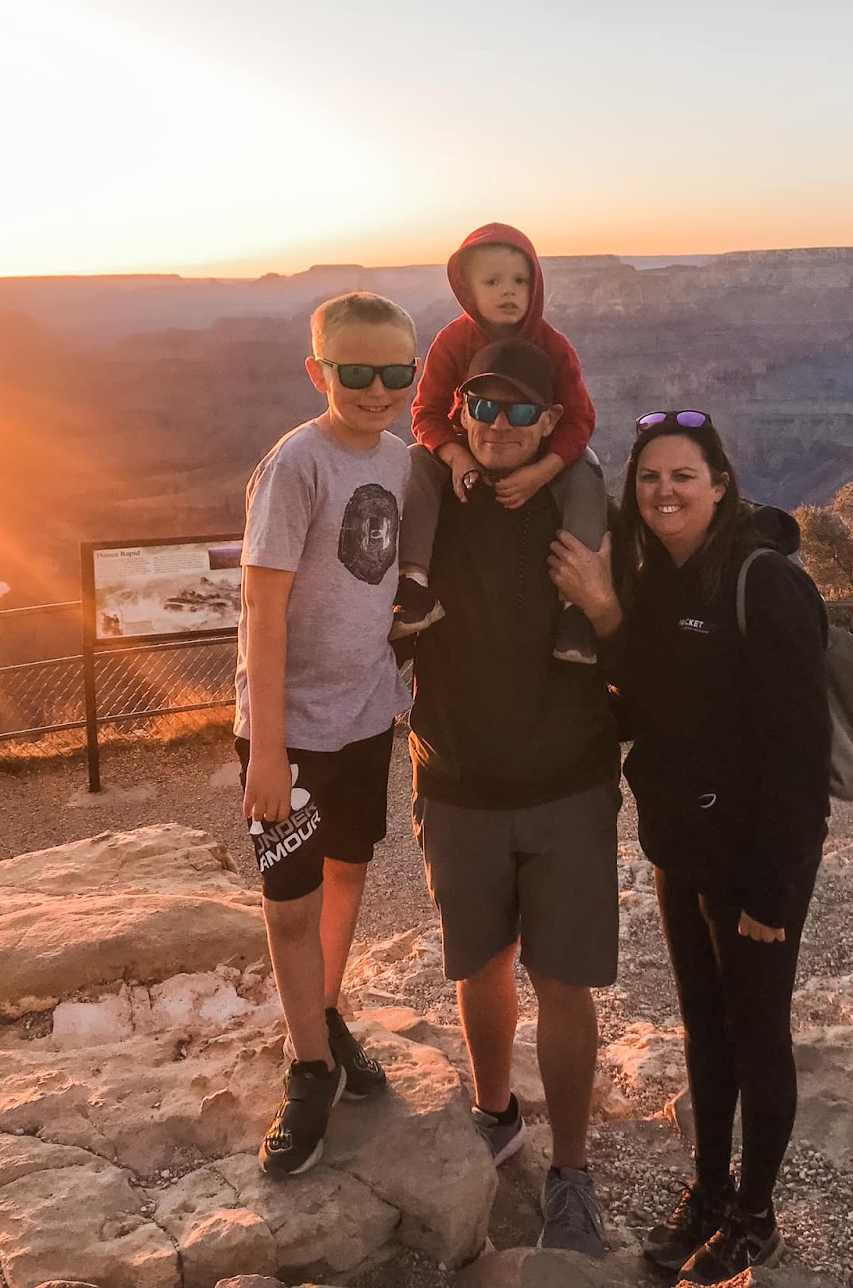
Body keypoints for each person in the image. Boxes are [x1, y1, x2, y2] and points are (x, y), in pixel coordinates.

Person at [549, 411, 831, 1287]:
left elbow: (798, 758)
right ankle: (710, 1192)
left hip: (754, 858)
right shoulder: (659, 577)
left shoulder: (763, 583)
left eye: (683, 476)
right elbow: (657, 704)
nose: (664, 492)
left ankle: (756, 1217)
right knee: (706, 1032)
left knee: (758, 1036)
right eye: (649, 478)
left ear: (720, 485)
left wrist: (773, 894)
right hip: (682, 846)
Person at [406, 339, 621, 1256]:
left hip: (569, 782)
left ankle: (570, 1172)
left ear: (551, 421)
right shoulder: (430, 494)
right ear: (458, 412)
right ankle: (496, 1116)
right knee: (480, 965)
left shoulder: (580, 503)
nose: (499, 425)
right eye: (482, 407)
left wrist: (603, 609)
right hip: (457, 778)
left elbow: (634, 637)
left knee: (563, 982)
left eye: (520, 409)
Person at [232, 291, 419, 1177]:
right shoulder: (296, 464)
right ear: (319, 371)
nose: (377, 389)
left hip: (366, 715)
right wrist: (268, 750)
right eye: (357, 372)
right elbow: (261, 611)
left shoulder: (404, 462)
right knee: (290, 902)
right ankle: (309, 1069)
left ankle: (326, 1011)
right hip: (293, 730)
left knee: (348, 869)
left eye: (396, 372)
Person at [393, 222, 606, 663]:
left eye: (520, 280)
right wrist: (456, 457)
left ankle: (575, 610)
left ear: (535, 285)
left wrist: (542, 472)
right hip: (464, 448)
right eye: (492, 282)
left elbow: (579, 418)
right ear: (468, 289)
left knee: (585, 466)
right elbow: (426, 413)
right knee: (415, 459)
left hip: (540, 454)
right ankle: (414, 586)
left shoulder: (553, 345)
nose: (508, 291)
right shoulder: (453, 340)